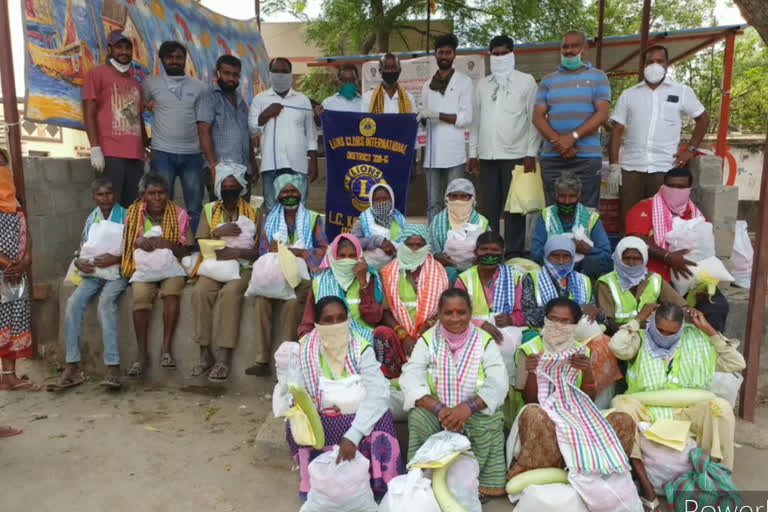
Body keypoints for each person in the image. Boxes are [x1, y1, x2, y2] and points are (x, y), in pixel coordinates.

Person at [508, 298, 639, 511]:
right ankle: (552, 470)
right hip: (546, 415)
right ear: (545, 320)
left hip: (576, 416)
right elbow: (530, 399)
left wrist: (586, 371)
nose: (558, 326)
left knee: (623, 420)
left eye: (565, 321)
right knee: (534, 414)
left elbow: (589, 398)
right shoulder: (529, 350)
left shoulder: (581, 352)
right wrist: (532, 371)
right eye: (553, 319)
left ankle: (602, 472)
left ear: (575, 325)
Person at [609, 303, 745, 505]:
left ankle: (717, 478)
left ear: (681, 328)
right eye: (660, 329)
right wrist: (637, 319)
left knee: (721, 408)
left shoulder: (698, 341)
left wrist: (708, 330)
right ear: (652, 322)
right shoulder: (640, 339)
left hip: (686, 411)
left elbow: (737, 363)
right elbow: (617, 347)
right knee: (621, 405)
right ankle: (642, 483)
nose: (664, 336)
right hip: (647, 410)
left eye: (671, 332)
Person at [281, 296, 404, 500]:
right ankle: (319, 483)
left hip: (357, 419)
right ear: (318, 324)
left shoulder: (360, 347)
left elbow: (378, 392)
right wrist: (303, 405)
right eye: (328, 320)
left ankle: (380, 484)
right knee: (296, 421)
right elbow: (295, 391)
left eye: (340, 318)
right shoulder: (303, 351)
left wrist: (354, 434)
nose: (335, 325)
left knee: (382, 416)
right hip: (323, 417)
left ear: (348, 319)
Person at [400, 288, 509, 498]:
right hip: (438, 415)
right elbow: (410, 377)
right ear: (439, 315)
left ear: (470, 313)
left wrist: (468, 407)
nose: (455, 318)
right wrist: (440, 409)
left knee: (493, 417)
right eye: (448, 313)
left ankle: (483, 484)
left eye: (462, 312)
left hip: (473, 415)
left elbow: (498, 382)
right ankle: (425, 478)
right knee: (417, 417)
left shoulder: (483, 340)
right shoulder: (428, 340)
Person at [609, 45, 710, 223]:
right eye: (650, 61)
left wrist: (691, 150)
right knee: (630, 219)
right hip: (632, 168)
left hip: (664, 168)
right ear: (643, 65)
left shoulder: (682, 91)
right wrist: (614, 165)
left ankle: (659, 251)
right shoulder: (629, 95)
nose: (654, 65)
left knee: (661, 221)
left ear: (667, 64)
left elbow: (703, 119)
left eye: (659, 61)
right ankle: (629, 249)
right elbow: (616, 130)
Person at [625, 167, 729, 332]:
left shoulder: (695, 215)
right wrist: (667, 257)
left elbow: (705, 252)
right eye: (671, 186)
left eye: (681, 187)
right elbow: (635, 239)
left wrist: (702, 285)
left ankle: (709, 350)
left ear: (689, 190)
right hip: (655, 282)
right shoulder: (644, 208)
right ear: (663, 186)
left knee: (717, 305)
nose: (675, 191)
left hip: (690, 282)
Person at [247, 174, 328, 377]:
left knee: (293, 304)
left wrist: (298, 252)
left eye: (293, 191)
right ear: (278, 195)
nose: (289, 195)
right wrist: (274, 251)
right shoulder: (269, 219)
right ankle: (262, 360)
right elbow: (263, 251)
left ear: (300, 193)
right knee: (261, 301)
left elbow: (323, 250)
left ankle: (286, 362)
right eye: (285, 192)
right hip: (276, 274)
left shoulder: (313, 218)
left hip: (302, 277)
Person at [468, 35, 539, 259]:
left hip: (516, 155)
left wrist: (531, 153)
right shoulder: (482, 84)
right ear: (490, 56)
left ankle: (515, 254)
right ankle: (491, 250)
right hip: (487, 155)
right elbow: (476, 122)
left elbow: (533, 120)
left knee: (514, 209)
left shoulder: (526, 81)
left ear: (513, 54)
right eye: (495, 54)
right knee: (490, 208)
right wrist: (473, 153)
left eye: (504, 53)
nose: (500, 57)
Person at [191, 163, 261, 382]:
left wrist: (237, 251)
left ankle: (224, 356)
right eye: (226, 187)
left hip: (242, 267)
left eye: (234, 187)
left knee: (231, 294)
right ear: (219, 188)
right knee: (200, 291)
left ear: (242, 188)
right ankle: (204, 352)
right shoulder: (210, 209)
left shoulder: (255, 211)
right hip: (214, 265)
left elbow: (259, 251)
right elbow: (201, 242)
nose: (230, 191)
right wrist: (217, 231)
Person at [121, 173, 194, 377]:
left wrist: (169, 245)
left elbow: (188, 249)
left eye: (161, 193)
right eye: (151, 193)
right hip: (144, 269)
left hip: (172, 267)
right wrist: (138, 242)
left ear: (167, 194)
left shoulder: (178, 214)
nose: (156, 197)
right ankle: (142, 354)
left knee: (172, 292)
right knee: (140, 297)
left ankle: (166, 349)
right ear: (143, 195)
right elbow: (127, 243)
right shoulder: (133, 214)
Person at [58, 178, 128, 390]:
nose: (105, 198)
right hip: (93, 272)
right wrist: (79, 261)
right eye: (100, 194)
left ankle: (113, 368)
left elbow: (134, 249)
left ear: (114, 195)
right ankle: (72, 366)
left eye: (108, 194)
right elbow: (82, 248)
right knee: (73, 303)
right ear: (93, 198)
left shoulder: (126, 215)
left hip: (118, 272)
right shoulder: (92, 218)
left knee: (105, 304)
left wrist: (115, 259)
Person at [533, 30, 611, 209]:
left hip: (586, 158)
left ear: (585, 49)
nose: (569, 50)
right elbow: (537, 117)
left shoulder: (598, 77)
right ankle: (556, 239)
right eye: (565, 46)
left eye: (574, 45)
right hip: (553, 157)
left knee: (587, 211)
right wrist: (559, 142)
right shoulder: (548, 81)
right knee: (553, 211)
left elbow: (602, 114)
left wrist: (572, 137)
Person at [143, 41, 207, 233]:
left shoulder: (199, 87)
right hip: (162, 153)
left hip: (193, 154)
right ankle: (167, 248)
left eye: (179, 57)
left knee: (195, 207)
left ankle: (194, 252)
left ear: (185, 60)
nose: (174, 61)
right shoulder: (151, 84)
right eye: (170, 57)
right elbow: (136, 112)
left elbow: (203, 122)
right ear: (162, 60)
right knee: (161, 205)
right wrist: (145, 144)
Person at [82, 30, 147, 207]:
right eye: (119, 47)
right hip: (110, 153)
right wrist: (95, 146)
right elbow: (89, 111)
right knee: (110, 206)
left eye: (128, 48)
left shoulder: (135, 82)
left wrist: (145, 146)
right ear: (110, 49)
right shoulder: (97, 74)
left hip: (135, 155)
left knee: (133, 208)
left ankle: (130, 236)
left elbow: (138, 116)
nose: (124, 52)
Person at [375, 224, 449, 378]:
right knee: (382, 334)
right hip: (399, 333)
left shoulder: (439, 270)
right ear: (402, 245)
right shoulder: (388, 272)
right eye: (410, 244)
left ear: (426, 246)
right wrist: (404, 335)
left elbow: (445, 308)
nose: (414, 249)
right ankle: (394, 376)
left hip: (430, 331)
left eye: (419, 245)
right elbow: (385, 311)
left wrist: (426, 329)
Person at [249, 57, 318, 211]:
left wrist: (313, 160)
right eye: (276, 71)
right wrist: (265, 114)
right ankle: (275, 236)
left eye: (284, 71)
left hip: (298, 165)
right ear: (270, 74)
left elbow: (311, 133)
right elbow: (252, 130)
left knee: (299, 210)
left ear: (290, 74)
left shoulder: (303, 100)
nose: (280, 75)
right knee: (272, 210)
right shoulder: (259, 99)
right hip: (270, 166)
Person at [418, 34, 474, 223]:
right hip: (432, 155)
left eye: (448, 52)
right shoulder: (427, 86)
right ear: (435, 55)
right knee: (433, 203)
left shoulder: (464, 82)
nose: (444, 55)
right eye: (440, 52)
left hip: (455, 154)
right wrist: (421, 118)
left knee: (456, 201)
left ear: (454, 55)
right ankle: (435, 243)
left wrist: (438, 115)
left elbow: (467, 118)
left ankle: (455, 242)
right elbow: (425, 119)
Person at [298, 234, 385, 343]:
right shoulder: (319, 282)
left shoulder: (369, 278)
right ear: (334, 256)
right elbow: (308, 322)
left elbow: (374, 319)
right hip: (327, 341)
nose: (346, 261)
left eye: (352, 256)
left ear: (359, 257)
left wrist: (363, 284)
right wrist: (306, 344)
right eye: (342, 256)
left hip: (362, 340)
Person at [0, 159, 39, 391]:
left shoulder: (16, 201)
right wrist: (7, 265)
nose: (3, 170)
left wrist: (24, 261)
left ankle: (9, 375)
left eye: (4, 165)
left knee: (15, 321)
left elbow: (28, 233)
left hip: (17, 274)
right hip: (4, 273)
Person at [530, 171, 612, 279]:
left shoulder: (591, 216)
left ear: (579, 196)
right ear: (555, 195)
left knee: (594, 262)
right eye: (562, 196)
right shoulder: (546, 215)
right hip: (552, 270)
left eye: (572, 196)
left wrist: (588, 250)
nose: (567, 201)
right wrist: (559, 250)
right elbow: (535, 253)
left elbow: (606, 254)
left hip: (583, 271)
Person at [597, 236, 686, 335]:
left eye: (637, 259)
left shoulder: (655, 279)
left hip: (651, 338)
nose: (631, 263)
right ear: (618, 258)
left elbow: (681, 306)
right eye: (626, 258)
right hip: (619, 339)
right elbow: (609, 325)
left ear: (644, 259)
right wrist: (640, 321)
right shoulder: (606, 283)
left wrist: (690, 312)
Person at [197, 55, 256, 202]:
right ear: (217, 73)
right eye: (227, 73)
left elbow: (246, 135)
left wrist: (253, 163)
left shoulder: (241, 102)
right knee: (220, 217)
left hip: (243, 168)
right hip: (221, 170)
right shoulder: (209, 97)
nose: (231, 78)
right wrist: (213, 165)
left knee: (243, 217)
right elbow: (203, 131)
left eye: (235, 75)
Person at [522, 234, 600, 328]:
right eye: (555, 256)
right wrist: (576, 309)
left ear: (573, 258)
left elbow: (594, 313)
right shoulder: (533, 278)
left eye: (566, 256)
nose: (561, 261)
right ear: (546, 256)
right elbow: (528, 316)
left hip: (578, 333)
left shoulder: (583, 280)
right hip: (543, 333)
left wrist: (595, 311)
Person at [455, 231, 525, 328]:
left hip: (505, 331)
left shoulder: (514, 278)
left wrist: (511, 319)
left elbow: (522, 314)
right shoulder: (464, 279)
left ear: (502, 253)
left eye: (495, 250)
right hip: (472, 331)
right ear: (476, 252)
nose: (489, 253)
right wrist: (480, 324)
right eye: (484, 249)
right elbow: (456, 313)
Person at [429, 178, 489, 284]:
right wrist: (436, 256)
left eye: (463, 196)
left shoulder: (481, 221)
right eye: (454, 196)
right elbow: (428, 248)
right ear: (448, 198)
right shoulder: (437, 221)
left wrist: (480, 258)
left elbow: (491, 247)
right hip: (445, 270)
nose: (458, 200)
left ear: (471, 198)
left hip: (476, 270)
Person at [349, 183, 406, 270]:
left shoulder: (400, 220)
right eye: (377, 200)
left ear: (391, 199)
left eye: (385, 199)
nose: (381, 202)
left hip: (396, 270)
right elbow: (353, 244)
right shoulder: (363, 220)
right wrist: (378, 241)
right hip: (370, 270)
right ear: (371, 201)